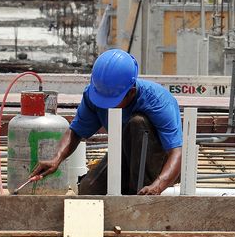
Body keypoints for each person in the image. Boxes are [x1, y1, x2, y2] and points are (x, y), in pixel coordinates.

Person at [31, 49, 182, 195]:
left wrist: (158, 184)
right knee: (89, 190)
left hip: (159, 164)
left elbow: (176, 152)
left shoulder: (158, 101)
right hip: (123, 153)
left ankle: (137, 195)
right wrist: (56, 158)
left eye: (111, 101)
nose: (104, 105)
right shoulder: (94, 93)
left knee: (137, 123)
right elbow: (76, 131)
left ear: (131, 93)